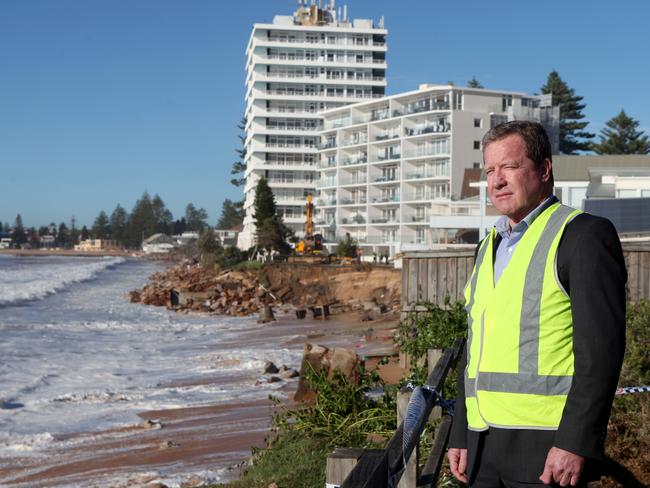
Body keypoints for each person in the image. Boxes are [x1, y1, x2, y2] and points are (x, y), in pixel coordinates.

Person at [447, 121, 626, 487]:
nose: (496, 180)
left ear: (544, 170)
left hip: (547, 445)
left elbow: (601, 353)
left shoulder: (584, 235)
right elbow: (475, 349)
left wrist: (576, 442)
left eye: (509, 167)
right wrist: (461, 432)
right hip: (482, 444)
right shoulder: (487, 247)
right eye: (490, 171)